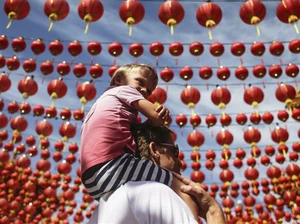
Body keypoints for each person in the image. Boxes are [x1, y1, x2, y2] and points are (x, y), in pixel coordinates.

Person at [80, 63, 193, 212]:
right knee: (183, 189)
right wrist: (160, 113)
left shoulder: (106, 103)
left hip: (91, 178)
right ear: (119, 80)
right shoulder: (123, 90)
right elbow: (156, 116)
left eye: (149, 90)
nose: (144, 90)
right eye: (140, 82)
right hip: (114, 164)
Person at [88, 123, 226, 224]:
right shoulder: (157, 192)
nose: (180, 162)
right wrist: (213, 210)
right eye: (174, 151)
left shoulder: (102, 208)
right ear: (154, 150)